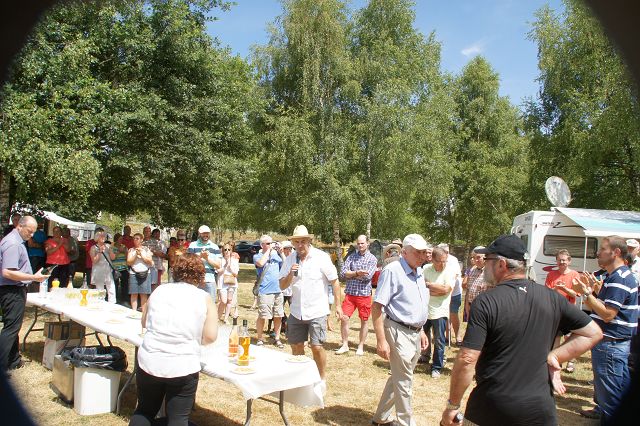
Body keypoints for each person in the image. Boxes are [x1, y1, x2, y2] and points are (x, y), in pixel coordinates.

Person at [440, 234, 603, 426]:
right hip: (540, 409)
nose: (485, 264)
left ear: (501, 264)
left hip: (493, 407)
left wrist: (453, 405)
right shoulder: (551, 298)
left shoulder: (486, 302)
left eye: (488, 259)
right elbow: (593, 332)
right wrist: (556, 355)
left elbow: (467, 358)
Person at [130, 253, 218, 426]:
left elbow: (145, 322)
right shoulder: (204, 298)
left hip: (150, 358)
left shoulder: (159, 290)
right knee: (178, 419)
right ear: (200, 276)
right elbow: (210, 336)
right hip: (182, 364)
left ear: (175, 272)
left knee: (144, 410)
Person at [572, 235, 639, 425]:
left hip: (610, 346)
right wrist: (593, 292)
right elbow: (603, 308)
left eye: (602, 249)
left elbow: (608, 314)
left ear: (616, 252)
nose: (598, 253)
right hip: (614, 345)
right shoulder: (616, 276)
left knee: (611, 401)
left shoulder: (619, 279)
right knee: (618, 395)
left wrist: (586, 293)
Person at [371, 234, 429, 426]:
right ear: (404, 252)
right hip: (398, 331)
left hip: (414, 333)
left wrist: (421, 330)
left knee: (400, 377)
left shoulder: (419, 271)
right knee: (405, 382)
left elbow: (416, 304)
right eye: (418, 252)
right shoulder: (392, 271)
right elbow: (377, 308)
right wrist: (381, 340)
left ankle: (380, 418)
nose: (423, 256)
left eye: (424, 252)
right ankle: (406, 422)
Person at [279, 225, 343, 392]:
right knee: (296, 346)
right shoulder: (290, 260)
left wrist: (338, 305)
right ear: (293, 243)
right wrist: (290, 274)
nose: (300, 245)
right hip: (296, 311)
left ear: (309, 241)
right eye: (297, 242)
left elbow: (335, 281)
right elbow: (282, 285)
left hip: (317, 310)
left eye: (303, 241)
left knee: (316, 346)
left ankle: (321, 379)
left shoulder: (321, 257)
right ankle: (300, 379)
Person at [0, 216, 49, 371]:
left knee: (13, 326)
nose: (32, 235)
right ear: (19, 226)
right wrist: (33, 278)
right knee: (11, 328)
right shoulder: (13, 243)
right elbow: (7, 272)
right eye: (30, 231)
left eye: (34, 232)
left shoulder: (16, 241)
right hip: (12, 290)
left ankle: (13, 360)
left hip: (14, 289)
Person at [335, 234, 377, 356]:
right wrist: (357, 273)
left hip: (364, 294)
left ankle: (361, 346)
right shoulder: (351, 256)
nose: (360, 245)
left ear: (367, 243)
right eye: (358, 243)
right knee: (344, 318)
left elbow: (368, 277)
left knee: (364, 321)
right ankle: (345, 345)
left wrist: (351, 274)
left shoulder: (372, 259)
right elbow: (343, 273)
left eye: (362, 243)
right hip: (350, 293)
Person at [421, 246, 455, 378]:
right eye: (440, 261)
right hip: (425, 310)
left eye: (445, 261)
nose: (443, 264)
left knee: (439, 341)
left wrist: (429, 285)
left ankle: (436, 367)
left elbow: (446, 290)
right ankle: (422, 357)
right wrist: (436, 289)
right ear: (433, 260)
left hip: (440, 312)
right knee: (420, 336)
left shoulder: (450, 271)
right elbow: (420, 287)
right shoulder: (425, 269)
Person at [254, 235, 284, 348]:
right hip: (264, 291)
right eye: (268, 243)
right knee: (263, 315)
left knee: (278, 315)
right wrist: (268, 251)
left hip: (278, 290)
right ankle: (260, 338)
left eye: (271, 243)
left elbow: (285, 265)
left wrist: (281, 253)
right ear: (262, 245)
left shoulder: (276, 255)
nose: (270, 245)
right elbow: (260, 264)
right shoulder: (257, 256)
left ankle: (277, 338)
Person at [438, 243, 463, 346]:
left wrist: (449, 291)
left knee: (453, 314)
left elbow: (455, 276)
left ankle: (458, 336)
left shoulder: (453, 260)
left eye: (448, 252)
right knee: (444, 315)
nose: (447, 254)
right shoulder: (438, 259)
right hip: (442, 292)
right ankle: (446, 337)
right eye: (445, 252)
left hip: (454, 292)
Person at [187, 225, 221, 299]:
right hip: (195, 280)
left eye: (207, 233)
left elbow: (218, 265)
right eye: (203, 233)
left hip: (210, 280)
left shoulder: (215, 247)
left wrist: (207, 258)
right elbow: (188, 262)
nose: (206, 235)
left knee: (210, 304)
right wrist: (200, 256)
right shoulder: (192, 245)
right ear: (199, 233)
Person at [127, 233, 153, 312]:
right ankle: (134, 311)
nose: (135, 240)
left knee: (143, 294)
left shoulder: (146, 249)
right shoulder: (131, 250)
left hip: (145, 274)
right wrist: (135, 255)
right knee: (134, 293)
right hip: (134, 274)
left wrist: (141, 255)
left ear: (141, 240)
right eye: (134, 238)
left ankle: (143, 313)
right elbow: (129, 262)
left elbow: (150, 261)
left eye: (137, 238)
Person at [89, 231, 116, 303]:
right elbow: (94, 260)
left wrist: (110, 250)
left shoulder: (108, 246)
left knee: (111, 288)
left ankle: (112, 303)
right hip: (98, 271)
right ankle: (101, 303)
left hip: (108, 270)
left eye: (104, 236)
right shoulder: (93, 248)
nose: (103, 237)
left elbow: (113, 258)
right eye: (101, 236)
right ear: (97, 238)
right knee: (100, 290)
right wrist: (100, 252)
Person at [462, 247, 488, 321]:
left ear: (485, 257)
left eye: (478, 257)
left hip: (483, 307)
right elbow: (468, 290)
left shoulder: (490, 272)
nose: (476, 260)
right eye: (474, 257)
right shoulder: (472, 270)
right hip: (471, 306)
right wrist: (467, 308)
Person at [217, 242, 239, 324]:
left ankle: (226, 318)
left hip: (232, 282)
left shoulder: (235, 260)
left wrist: (231, 269)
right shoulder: (220, 260)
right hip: (222, 283)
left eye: (229, 249)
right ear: (223, 251)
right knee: (223, 301)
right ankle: (218, 317)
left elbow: (236, 274)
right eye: (225, 249)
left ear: (231, 250)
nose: (227, 251)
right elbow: (218, 272)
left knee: (229, 300)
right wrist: (225, 265)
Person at [111, 233, 130, 304]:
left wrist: (125, 251)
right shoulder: (112, 247)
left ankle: (124, 299)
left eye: (122, 239)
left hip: (124, 268)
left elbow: (128, 257)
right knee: (115, 284)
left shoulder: (124, 247)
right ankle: (114, 298)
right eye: (120, 239)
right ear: (116, 240)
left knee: (125, 284)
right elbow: (112, 258)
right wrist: (119, 251)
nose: (121, 241)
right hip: (115, 268)